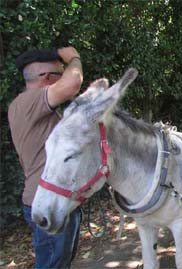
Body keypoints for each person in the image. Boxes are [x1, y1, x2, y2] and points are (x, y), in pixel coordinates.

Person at [8, 47, 83, 268]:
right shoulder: (28, 102)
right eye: (62, 72)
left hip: (56, 201)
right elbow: (72, 85)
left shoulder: (40, 110)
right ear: (48, 77)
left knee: (59, 262)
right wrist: (75, 58)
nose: (65, 76)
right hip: (49, 203)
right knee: (52, 264)